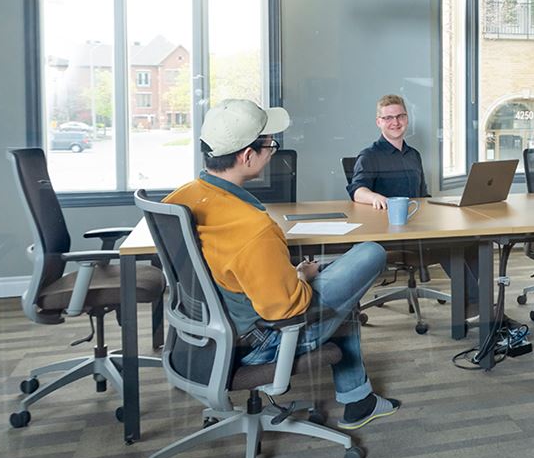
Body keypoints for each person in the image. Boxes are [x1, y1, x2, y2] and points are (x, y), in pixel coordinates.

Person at [164, 98, 400, 431]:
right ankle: (358, 400)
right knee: (370, 253)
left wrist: (292, 274)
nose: (272, 152)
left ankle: (359, 400)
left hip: (204, 333)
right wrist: (300, 277)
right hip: (261, 342)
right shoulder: (254, 228)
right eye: (269, 145)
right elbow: (286, 310)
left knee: (339, 276)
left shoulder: (181, 198)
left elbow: (227, 269)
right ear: (247, 156)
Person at [347, 94, 478, 301]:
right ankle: (478, 306)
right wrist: (375, 198)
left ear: (407, 119)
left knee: (474, 241)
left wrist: (446, 209)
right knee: (448, 245)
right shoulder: (369, 156)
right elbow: (357, 191)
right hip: (391, 235)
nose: (395, 122)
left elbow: (422, 196)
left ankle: (475, 304)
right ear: (379, 122)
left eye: (400, 116)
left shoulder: (413, 155)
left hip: (419, 228)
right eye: (388, 118)